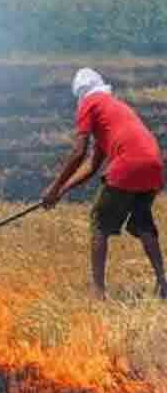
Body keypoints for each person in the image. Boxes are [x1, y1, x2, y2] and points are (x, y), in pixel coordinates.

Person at [41, 67, 167, 299]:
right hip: (154, 166)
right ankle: (163, 283)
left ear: (81, 94)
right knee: (142, 222)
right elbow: (91, 166)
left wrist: (54, 186)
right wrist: (62, 191)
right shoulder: (111, 110)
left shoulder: (90, 103)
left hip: (128, 164)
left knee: (99, 224)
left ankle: (98, 292)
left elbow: (79, 152)